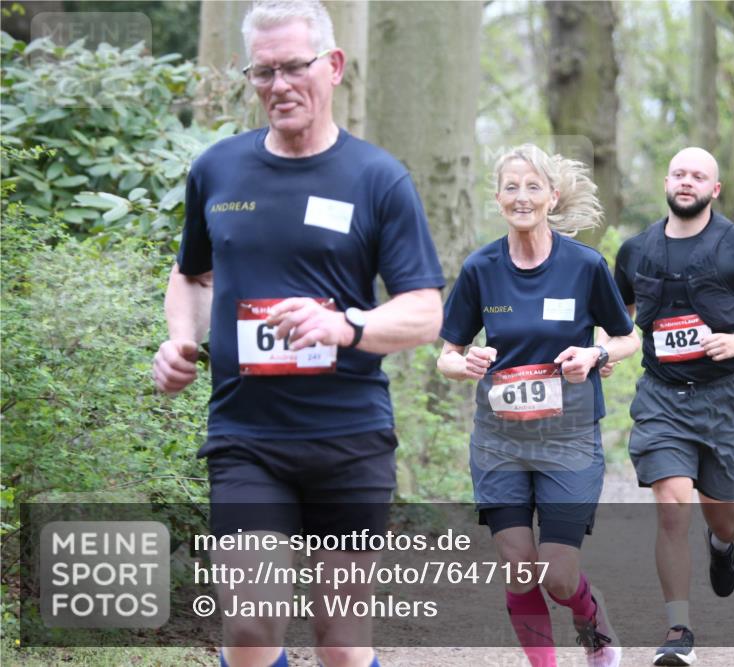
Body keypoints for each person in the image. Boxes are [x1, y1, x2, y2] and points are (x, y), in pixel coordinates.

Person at [151, 3, 445, 666]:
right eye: (263, 71)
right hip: (246, 437)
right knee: (251, 629)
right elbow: (191, 276)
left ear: (333, 66)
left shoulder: (377, 178)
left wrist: (347, 323)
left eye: (294, 67)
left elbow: (425, 311)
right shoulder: (217, 170)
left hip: (349, 436)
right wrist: (178, 340)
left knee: (341, 643)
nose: (279, 85)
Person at [437, 144, 639, 667]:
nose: (521, 197)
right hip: (499, 439)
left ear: (551, 195)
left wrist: (595, 354)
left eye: (532, 187)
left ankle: (592, 622)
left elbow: (627, 337)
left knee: (557, 573)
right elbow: (447, 356)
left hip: (568, 438)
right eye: (511, 187)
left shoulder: (584, 265)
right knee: (517, 565)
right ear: (497, 197)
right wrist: (468, 363)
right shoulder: (481, 268)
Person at [611, 147, 734, 666]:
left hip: (722, 401)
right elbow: (620, 320)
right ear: (667, 181)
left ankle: (722, 543)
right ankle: (679, 631)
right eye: (680, 174)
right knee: (671, 505)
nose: (687, 182)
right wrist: (604, 351)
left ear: (715, 189)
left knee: (725, 518)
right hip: (662, 396)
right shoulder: (635, 251)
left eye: (699, 176)